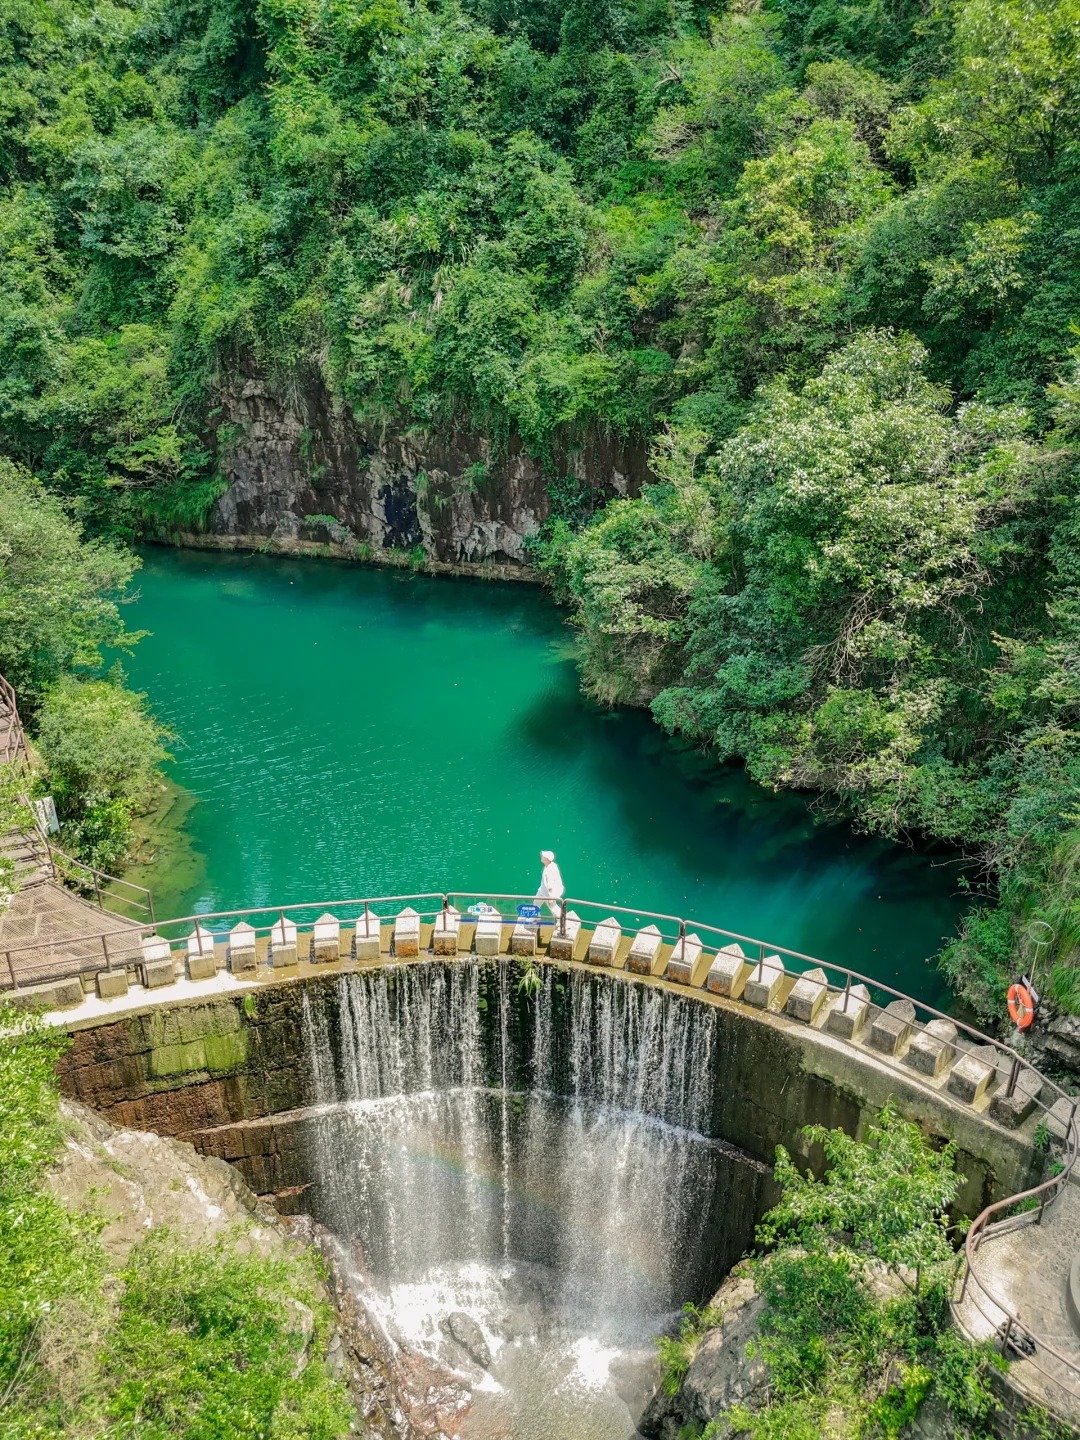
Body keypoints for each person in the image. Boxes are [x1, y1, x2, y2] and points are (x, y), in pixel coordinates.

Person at [536, 849, 564, 917]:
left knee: (553, 908)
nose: (541, 856)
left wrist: (551, 898)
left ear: (547, 859)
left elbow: (550, 886)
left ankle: (563, 920)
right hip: (542, 891)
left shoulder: (549, 871)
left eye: (543, 856)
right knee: (536, 904)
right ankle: (536, 918)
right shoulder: (552, 865)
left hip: (548, 894)